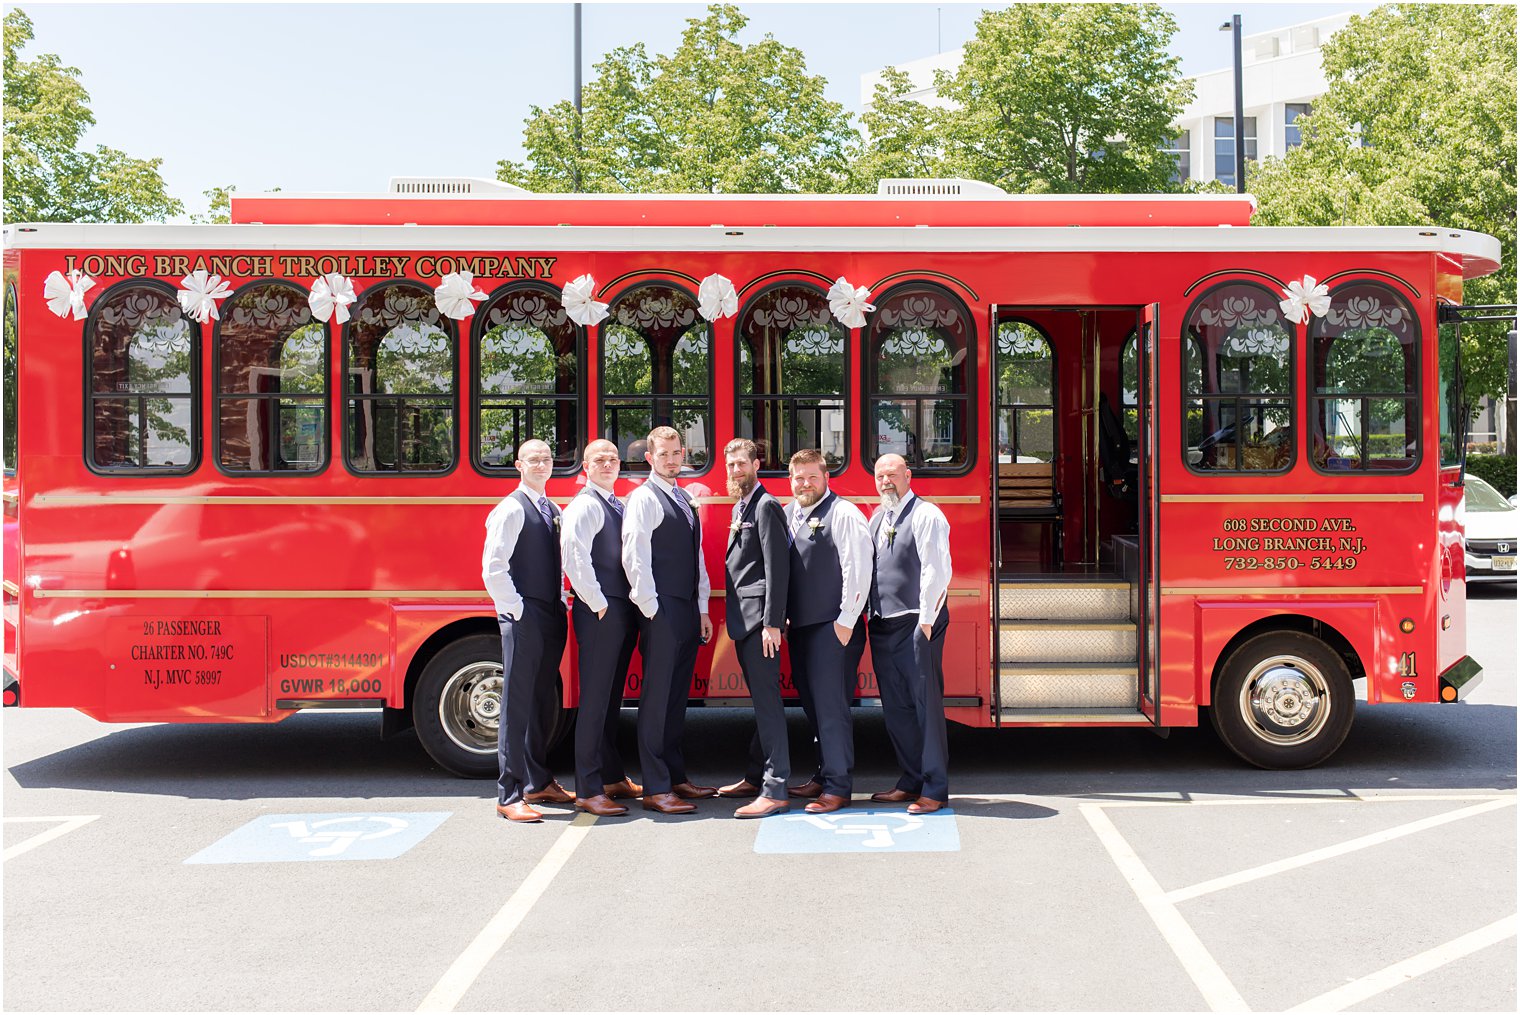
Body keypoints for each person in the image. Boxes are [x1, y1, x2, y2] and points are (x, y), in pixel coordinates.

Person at [621, 425, 717, 814]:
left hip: (687, 608)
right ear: (650, 458)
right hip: (661, 610)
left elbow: (696, 560)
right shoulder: (643, 498)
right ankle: (656, 787)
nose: (672, 459)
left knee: (678, 699)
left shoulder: (681, 497)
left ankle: (676, 777)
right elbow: (634, 556)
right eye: (664, 454)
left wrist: (703, 608)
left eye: (677, 453)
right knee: (657, 700)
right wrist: (652, 609)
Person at [482, 439, 571, 823]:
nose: (541, 464)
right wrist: (516, 611)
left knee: (541, 700)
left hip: (551, 612)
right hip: (525, 615)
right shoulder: (510, 509)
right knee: (517, 704)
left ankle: (538, 780)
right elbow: (493, 568)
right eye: (533, 459)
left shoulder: (552, 508)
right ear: (519, 464)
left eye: (547, 459)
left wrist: (563, 599)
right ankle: (509, 792)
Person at [783, 448, 871, 814]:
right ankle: (822, 774)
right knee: (813, 706)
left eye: (812, 477)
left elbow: (858, 567)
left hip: (833, 627)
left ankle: (838, 786)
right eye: (798, 478)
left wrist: (846, 620)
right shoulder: (789, 513)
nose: (805, 483)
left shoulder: (845, 513)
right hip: (801, 628)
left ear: (826, 478)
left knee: (832, 708)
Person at [560, 439, 644, 817]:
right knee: (595, 703)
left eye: (613, 458)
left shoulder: (615, 503)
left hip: (616, 610)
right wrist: (599, 605)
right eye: (600, 459)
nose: (608, 464)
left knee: (611, 699)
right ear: (585, 467)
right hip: (601, 613)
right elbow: (574, 558)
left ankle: (611, 777)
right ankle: (588, 788)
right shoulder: (585, 505)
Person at [867, 454, 953, 815]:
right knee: (896, 708)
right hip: (883, 623)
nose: (886, 481)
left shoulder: (926, 514)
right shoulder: (876, 517)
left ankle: (934, 788)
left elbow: (937, 567)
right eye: (880, 475)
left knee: (925, 707)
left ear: (908, 476)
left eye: (892, 474)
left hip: (918, 622)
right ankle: (910, 779)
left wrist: (928, 620)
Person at [715, 438, 792, 818]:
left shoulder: (766, 506)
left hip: (760, 623)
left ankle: (776, 787)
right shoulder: (743, 504)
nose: (735, 470)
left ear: (756, 464)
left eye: (741, 464)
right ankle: (754, 775)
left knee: (768, 704)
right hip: (745, 621)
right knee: (761, 704)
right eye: (730, 465)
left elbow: (778, 569)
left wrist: (772, 624)